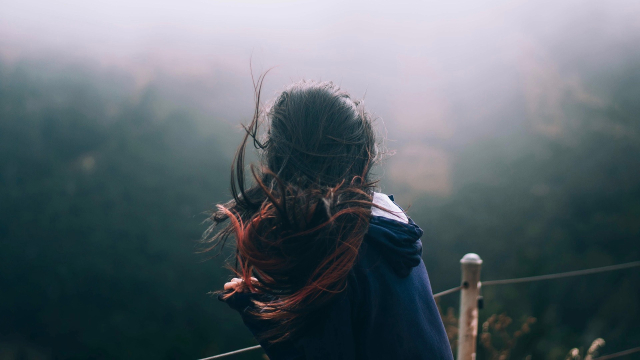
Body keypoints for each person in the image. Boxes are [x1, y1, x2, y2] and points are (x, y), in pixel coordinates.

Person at [205, 79, 453, 360]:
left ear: (282, 157)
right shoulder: (387, 232)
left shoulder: (337, 250)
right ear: (361, 155)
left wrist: (256, 309)